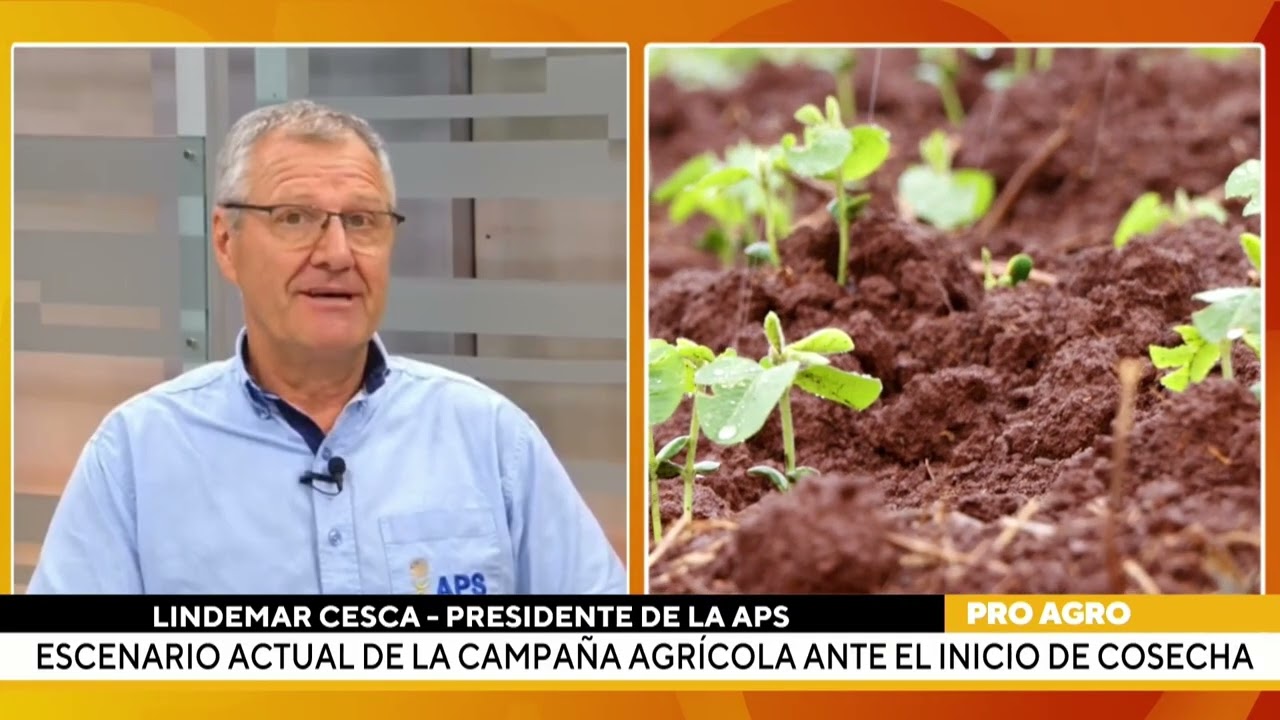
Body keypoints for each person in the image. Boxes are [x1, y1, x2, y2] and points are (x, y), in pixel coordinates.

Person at [26, 99, 627, 595]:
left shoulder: (490, 438)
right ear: (225, 242)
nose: (337, 253)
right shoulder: (137, 454)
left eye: (363, 221)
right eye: (294, 218)